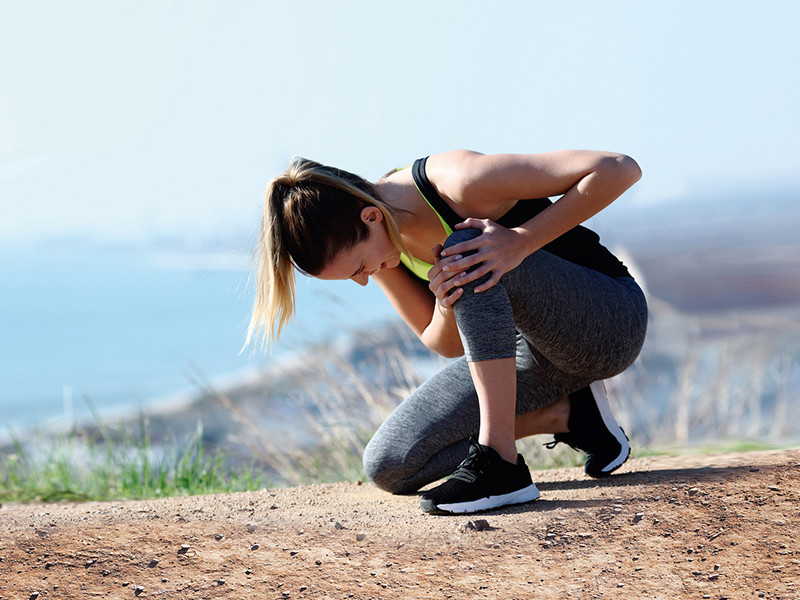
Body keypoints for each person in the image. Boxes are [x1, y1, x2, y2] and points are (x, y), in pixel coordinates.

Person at [246, 150, 647, 515]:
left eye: (357, 269)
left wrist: (518, 243)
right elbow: (444, 342)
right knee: (391, 464)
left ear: (369, 217)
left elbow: (619, 169)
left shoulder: (458, 183)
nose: (365, 281)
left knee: (467, 250)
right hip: (533, 355)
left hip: (609, 324)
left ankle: (499, 463)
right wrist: (445, 302)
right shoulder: (385, 244)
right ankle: (572, 415)